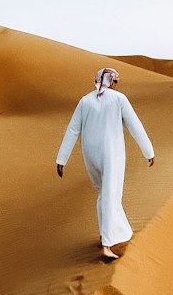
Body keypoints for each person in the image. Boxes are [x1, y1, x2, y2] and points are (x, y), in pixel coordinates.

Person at [56, 67, 155, 261]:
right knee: (111, 193)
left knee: (103, 193)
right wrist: (148, 151)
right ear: (113, 81)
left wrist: (62, 159)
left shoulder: (85, 101)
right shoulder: (119, 99)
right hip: (112, 153)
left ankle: (105, 234)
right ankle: (107, 245)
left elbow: (72, 130)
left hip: (90, 154)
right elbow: (135, 125)